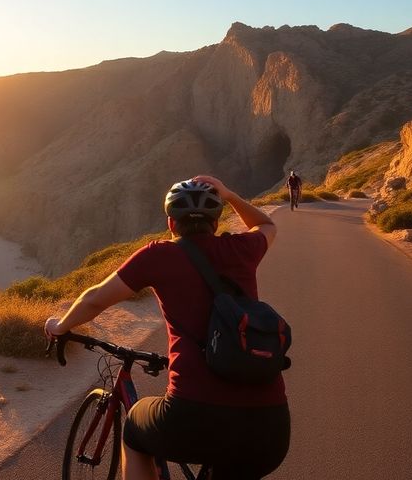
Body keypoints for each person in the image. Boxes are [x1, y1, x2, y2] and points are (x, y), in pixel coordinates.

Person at [45, 176, 289, 480]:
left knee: (134, 431)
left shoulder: (158, 255)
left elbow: (95, 300)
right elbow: (268, 226)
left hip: (194, 417)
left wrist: (60, 325)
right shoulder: (241, 248)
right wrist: (229, 194)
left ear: (171, 223)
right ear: (216, 221)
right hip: (270, 430)